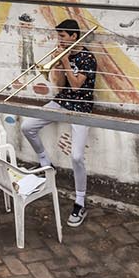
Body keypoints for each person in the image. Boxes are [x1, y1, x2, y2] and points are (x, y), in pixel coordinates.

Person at [21, 19, 98, 227]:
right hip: (61, 102)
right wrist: (57, 66)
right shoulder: (67, 54)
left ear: (74, 36)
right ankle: (45, 163)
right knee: (27, 127)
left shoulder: (88, 58)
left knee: (77, 156)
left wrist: (64, 61)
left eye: (62, 36)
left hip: (81, 109)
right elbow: (62, 86)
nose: (59, 40)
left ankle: (80, 202)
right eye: (58, 36)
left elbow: (76, 86)